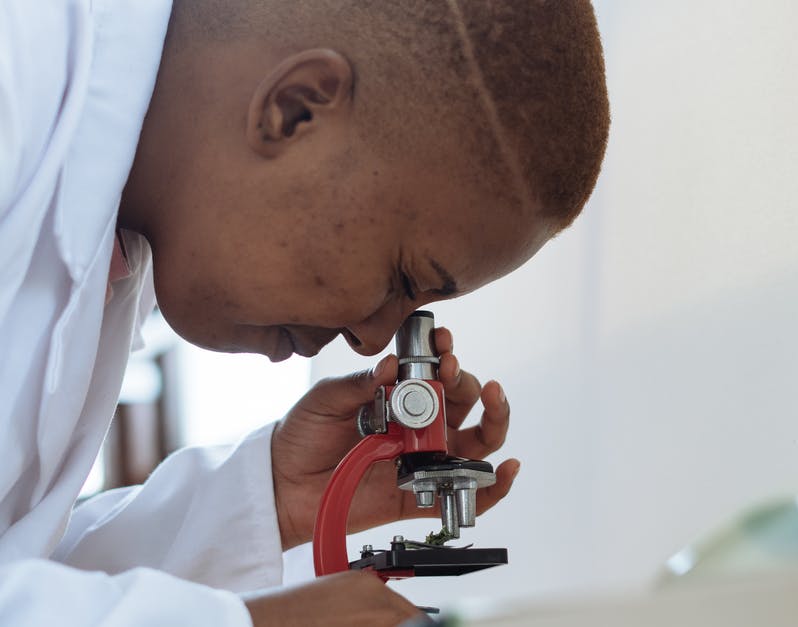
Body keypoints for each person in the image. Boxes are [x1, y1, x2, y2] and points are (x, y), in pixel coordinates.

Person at [0, 0, 609, 625]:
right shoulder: (16, 67)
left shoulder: (119, 233)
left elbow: (21, 578)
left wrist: (271, 497)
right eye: (400, 277)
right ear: (294, 110)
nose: (372, 340)